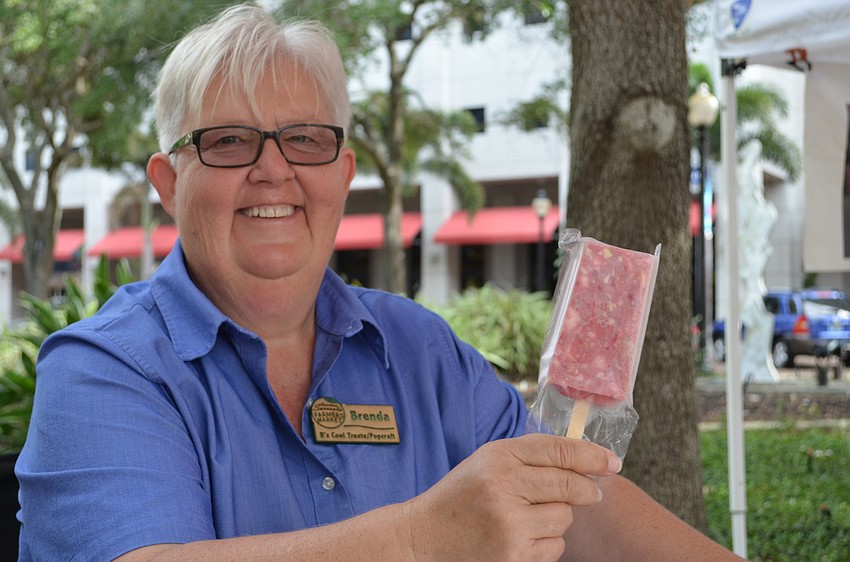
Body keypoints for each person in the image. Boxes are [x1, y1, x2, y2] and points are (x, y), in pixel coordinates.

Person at [15, 4, 743, 561]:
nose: (274, 170)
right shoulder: (103, 370)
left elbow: (580, 504)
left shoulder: (420, 353)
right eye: (228, 141)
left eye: (305, 138)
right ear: (169, 184)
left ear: (343, 174)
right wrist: (426, 537)